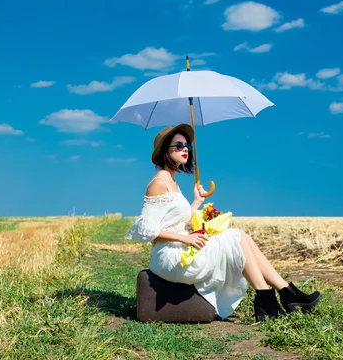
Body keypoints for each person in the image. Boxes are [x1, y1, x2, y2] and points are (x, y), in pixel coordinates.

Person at [127, 124, 321, 321]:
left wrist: (196, 202)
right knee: (236, 238)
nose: (185, 149)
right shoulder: (158, 183)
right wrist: (184, 239)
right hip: (169, 258)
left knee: (241, 238)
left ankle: (281, 292)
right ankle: (273, 296)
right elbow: (145, 229)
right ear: (164, 152)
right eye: (178, 145)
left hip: (181, 250)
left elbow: (175, 221)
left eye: (187, 146)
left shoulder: (173, 182)